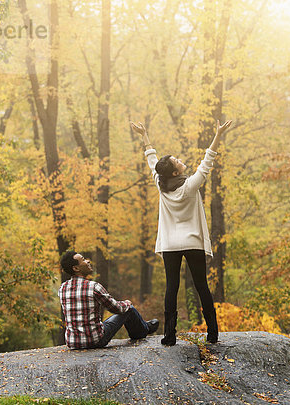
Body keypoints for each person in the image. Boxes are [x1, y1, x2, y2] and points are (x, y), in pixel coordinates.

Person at [130, 119, 233, 346]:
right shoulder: (190, 185)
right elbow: (208, 160)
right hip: (193, 242)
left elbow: (152, 161)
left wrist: (144, 136)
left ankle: (169, 336)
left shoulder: (162, 184)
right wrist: (218, 135)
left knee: (171, 287)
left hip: (170, 245)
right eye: (177, 160)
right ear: (176, 170)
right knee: (201, 286)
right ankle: (213, 334)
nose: (180, 159)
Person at [58, 251, 159, 349]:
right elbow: (117, 309)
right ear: (76, 268)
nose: (88, 261)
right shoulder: (93, 287)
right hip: (95, 340)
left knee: (105, 321)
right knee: (129, 309)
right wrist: (127, 303)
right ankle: (145, 328)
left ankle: (144, 326)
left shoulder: (62, 288)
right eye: (83, 260)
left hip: (73, 343)